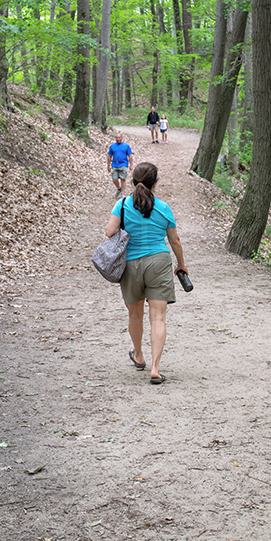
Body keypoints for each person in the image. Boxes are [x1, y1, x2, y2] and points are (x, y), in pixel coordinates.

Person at [105, 162, 187, 385]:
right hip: (159, 262)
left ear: (133, 182)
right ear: (155, 183)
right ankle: (155, 368)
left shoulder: (122, 205)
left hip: (131, 264)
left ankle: (139, 355)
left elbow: (110, 231)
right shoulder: (163, 207)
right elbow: (175, 240)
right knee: (158, 317)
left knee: (135, 315)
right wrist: (181, 264)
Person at [106, 133, 133, 198]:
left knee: (122, 178)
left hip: (123, 164)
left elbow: (130, 155)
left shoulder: (126, 146)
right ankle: (119, 188)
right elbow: (109, 156)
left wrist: (130, 165)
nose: (118, 139)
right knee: (114, 179)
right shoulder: (112, 146)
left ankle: (123, 193)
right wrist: (108, 165)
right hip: (115, 165)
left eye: (119, 138)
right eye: (117, 138)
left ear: (121, 138)